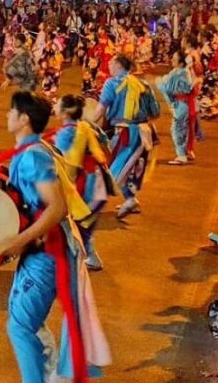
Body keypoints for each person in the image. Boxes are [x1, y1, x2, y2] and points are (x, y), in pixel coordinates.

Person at [0, 91, 110, 383]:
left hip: (47, 250)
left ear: (24, 119)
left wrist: (19, 240)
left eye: (12, 111)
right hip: (46, 246)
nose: (7, 116)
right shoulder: (37, 148)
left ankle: (38, 382)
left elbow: (57, 207)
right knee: (23, 321)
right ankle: (50, 374)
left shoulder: (33, 155)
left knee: (21, 327)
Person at [91, 54, 159, 219]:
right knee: (129, 168)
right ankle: (130, 199)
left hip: (125, 133)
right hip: (144, 133)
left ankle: (91, 206)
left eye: (111, 63)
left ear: (119, 66)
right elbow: (155, 112)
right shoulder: (143, 85)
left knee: (114, 169)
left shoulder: (112, 83)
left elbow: (100, 109)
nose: (109, 65)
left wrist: (87, 124)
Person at [53, 95, 116, 271]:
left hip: (86, 184)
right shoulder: (89, 127)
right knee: (83, 225)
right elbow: (107, 148)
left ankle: (75, 260)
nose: (55, 106)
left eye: (57, 104)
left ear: (65, 112)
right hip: (98, 181)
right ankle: (90, 257)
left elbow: (66, 165)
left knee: (73, 222)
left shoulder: (66, 133)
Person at [156, 49, 200, 165]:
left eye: (174, 59)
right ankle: (186, 152)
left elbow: (168, 88)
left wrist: (160, 82)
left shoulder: (180, 73)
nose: (172, 60)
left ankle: (181, 155)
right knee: (183, 128)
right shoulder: (182, 72)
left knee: (177, 129)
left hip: (182, 104)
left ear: (181, 62)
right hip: (184, 104)